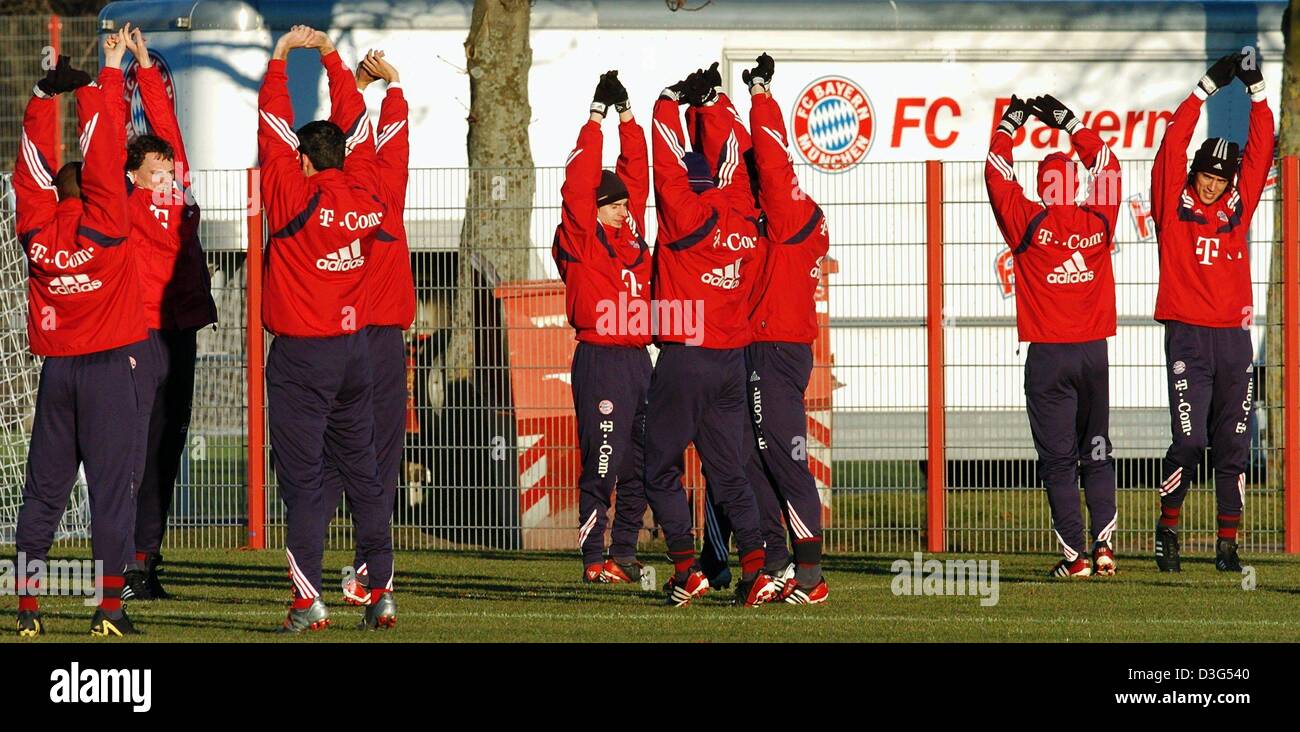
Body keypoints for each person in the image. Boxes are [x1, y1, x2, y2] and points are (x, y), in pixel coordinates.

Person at [12, 34, 151, 636]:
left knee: (43, 493)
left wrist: (44, 96)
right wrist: (105, 81)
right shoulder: (109, 222)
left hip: (57, 375)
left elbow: (30, 171)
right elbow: (101, 156)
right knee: (111, 495)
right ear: (93, 193)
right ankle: (109, 608)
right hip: (108, 370)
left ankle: (27, 609)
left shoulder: (36, 231)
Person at [258, 25, 394, 632]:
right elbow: (355, 122)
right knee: (364, 474)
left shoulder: (294, 197)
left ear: (305, 161)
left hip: (302, 357)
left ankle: (308, 598)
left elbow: (272, 125)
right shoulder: (365, 192)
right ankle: (381, 589)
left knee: (305, 481)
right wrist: (336, 61)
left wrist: (282, 59)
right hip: (353, 352)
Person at [642, 67, 775, 607]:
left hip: (686, 355)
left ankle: (684, 567)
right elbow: (741, 159)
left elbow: (666, 160)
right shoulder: (746, 215)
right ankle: (759, 569)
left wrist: (668, 100)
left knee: (657, 466)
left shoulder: (685, 216)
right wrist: (715, 103)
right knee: (730, 469)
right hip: (730, 358)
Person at [984, 93, 1122, 577]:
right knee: (1097, 448)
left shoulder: (1029, 221)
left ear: (1043, 188)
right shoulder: (1098, 219)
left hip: (1047, 355)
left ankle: (1074, 557)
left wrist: (1010, 123)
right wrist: (1069, 122)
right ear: (1077, 184)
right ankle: (1104, 547)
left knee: (1059, 459)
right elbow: (1107, 162)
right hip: (1093, 353)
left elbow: (996, 172)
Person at [1149, 52, 1274, 573]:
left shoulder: (1235, 208)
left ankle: (1227, 544)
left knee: (1233, 443)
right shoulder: (1171, 207)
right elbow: (1170, 145)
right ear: (1194, 172)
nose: (1213, 185)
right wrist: (1203, 90)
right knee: (1190, 439)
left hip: (1233, 340)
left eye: (1221, 179)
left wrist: (1257, 92)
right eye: (1206, 175)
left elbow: (1261, 151)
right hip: (1188, 338)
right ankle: (1168, 528)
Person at [117, 25, 219, 602]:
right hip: (141, 331)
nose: (165, 174)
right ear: (133, 177)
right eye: (153, 169)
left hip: (181, 330)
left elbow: (167, 126)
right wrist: (113, 75)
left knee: (168, 443)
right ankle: (126, 564)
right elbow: (115, 134)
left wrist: (144, 67)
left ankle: (148, 561)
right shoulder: (127, 203)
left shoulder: (175, 193)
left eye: (167, 167)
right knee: (137, 444)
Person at [552, 70, 653, 584]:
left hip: (639, 357)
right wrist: (594, 118)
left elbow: (635, 177)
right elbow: (579, 180)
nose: (623, 209)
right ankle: (594, 557)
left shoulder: (630, 231)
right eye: (612, 204)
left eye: (622, 204)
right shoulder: (580, 238)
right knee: (605, 459)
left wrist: (628, 116)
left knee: (642, 460)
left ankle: (626, 551)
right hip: (601, 357)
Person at [327, 49, 415, 608]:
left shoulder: (343, 193)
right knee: (381, 458)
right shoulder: (392, 187)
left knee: (335, 456)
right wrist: (393, 87)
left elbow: (336, 142)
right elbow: (394, 136)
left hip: (345, 336)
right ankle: (375, 576)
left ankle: (314, 576)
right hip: (386, 339)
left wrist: (351, 84)